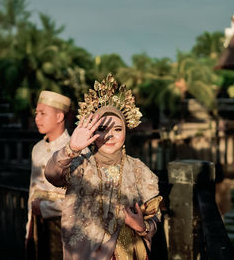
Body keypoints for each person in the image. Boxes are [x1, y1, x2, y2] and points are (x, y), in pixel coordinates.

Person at [44, 73, 163, 260]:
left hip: (132, 253)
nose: (109, 136)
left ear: (126, 131)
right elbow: (52, 174)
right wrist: (71, 148)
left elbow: (154, 214)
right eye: (101, 129)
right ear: (92, 131)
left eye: (117, 129)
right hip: (87, 254)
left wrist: (143, 227)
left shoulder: (139, 170)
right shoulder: (79, 164)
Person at [25, 90, 72, 260]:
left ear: (59, 117)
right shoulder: (37, 149)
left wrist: (45, 208)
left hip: (66, 225)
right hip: (38, 224)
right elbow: (33, 190)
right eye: (36, 113)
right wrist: (28, 228)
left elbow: (82, 198)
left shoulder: (75, 149)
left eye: (43, 113)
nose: (37, 118)